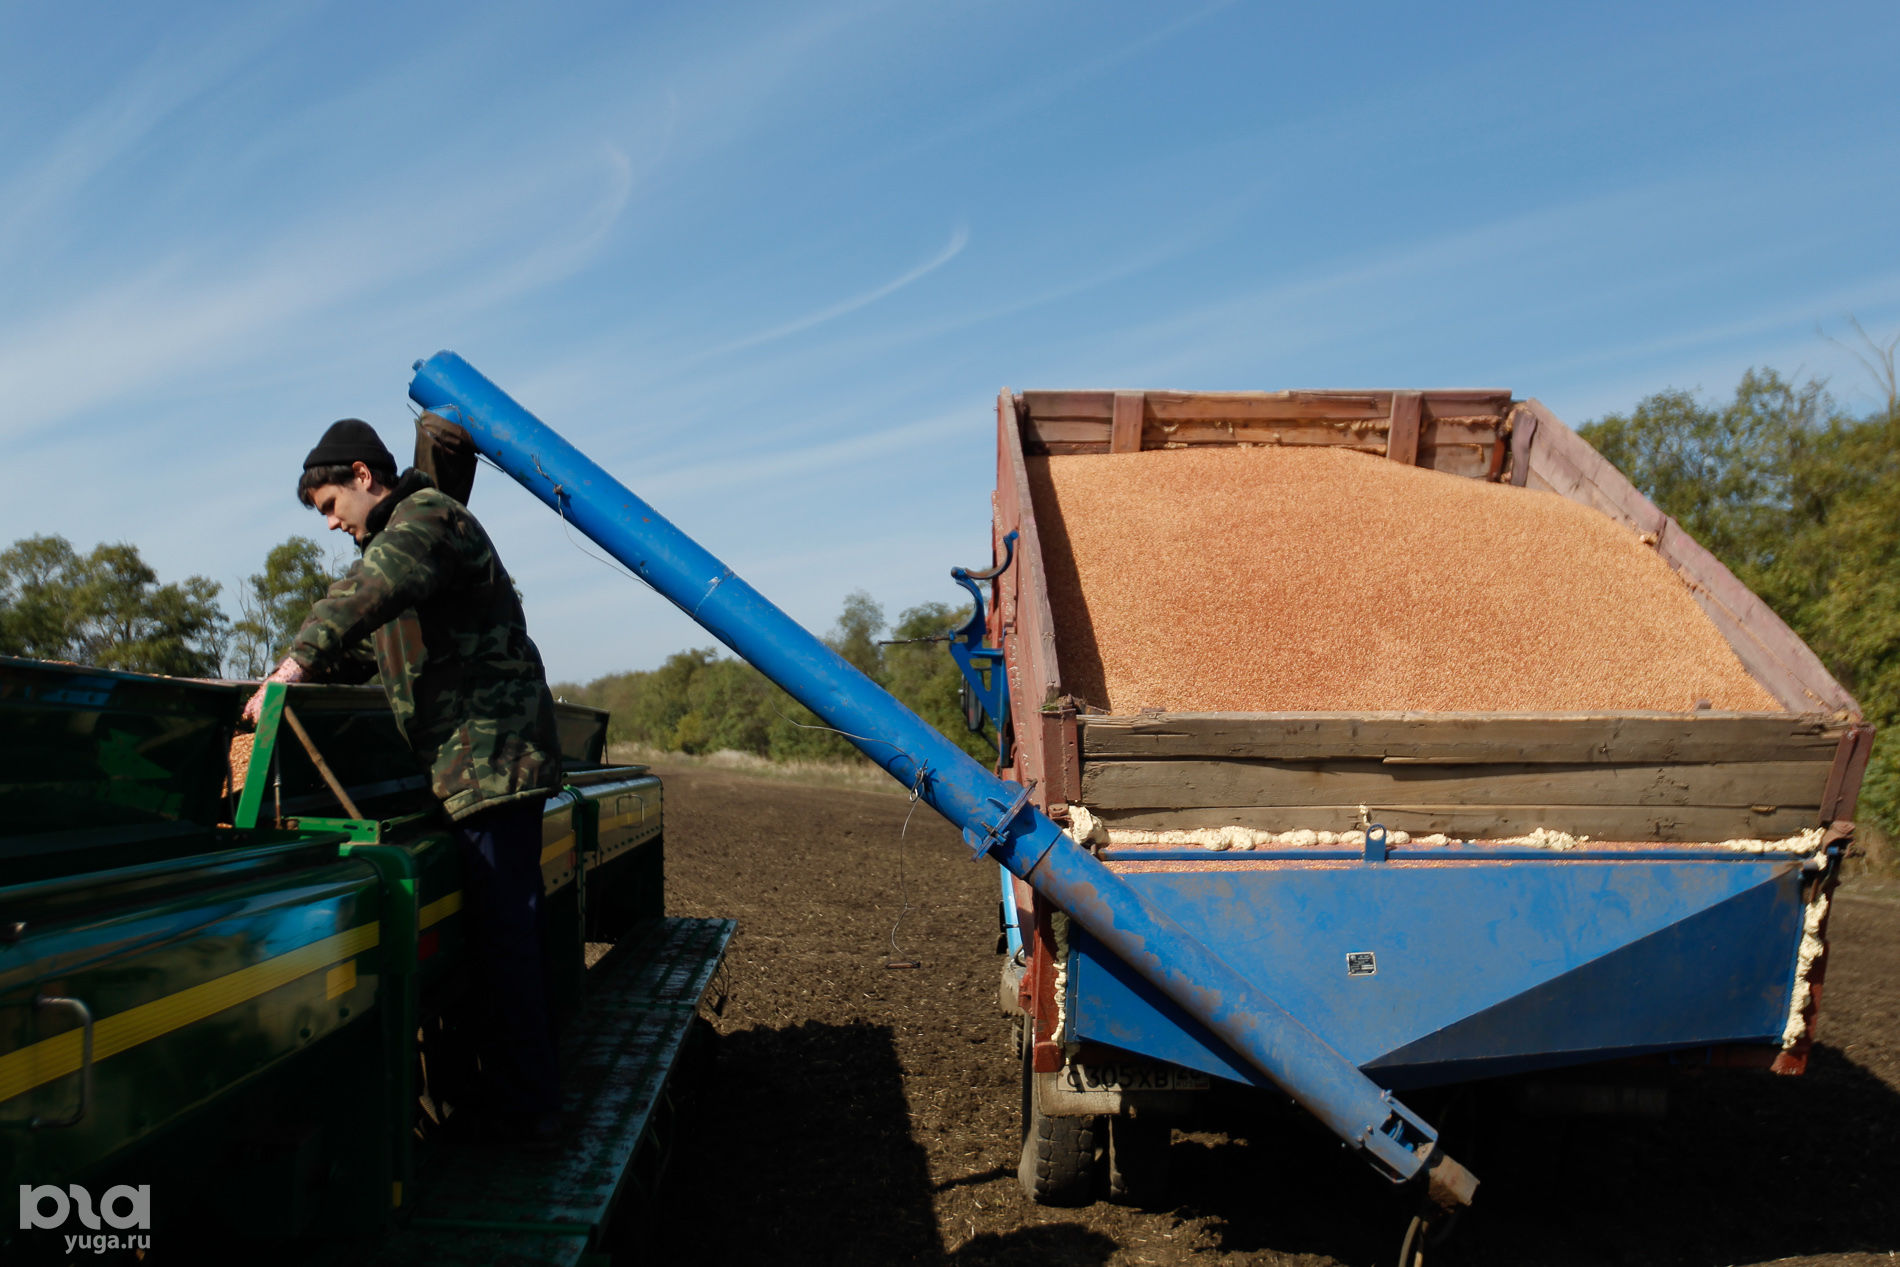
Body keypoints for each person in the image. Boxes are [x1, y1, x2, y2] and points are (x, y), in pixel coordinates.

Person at [243, 417, 564, 1150]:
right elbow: (378, 647)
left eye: (330, 504)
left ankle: (529, 1114)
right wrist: (293, 677)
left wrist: (291, 666)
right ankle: (512, 1095)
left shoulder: (424, 520)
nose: (330, 523)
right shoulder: (404, 544)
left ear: (363, 475)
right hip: (470, 763)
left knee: (506, 939)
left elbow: (370, 592)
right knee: (497, 938)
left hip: (493, 759)